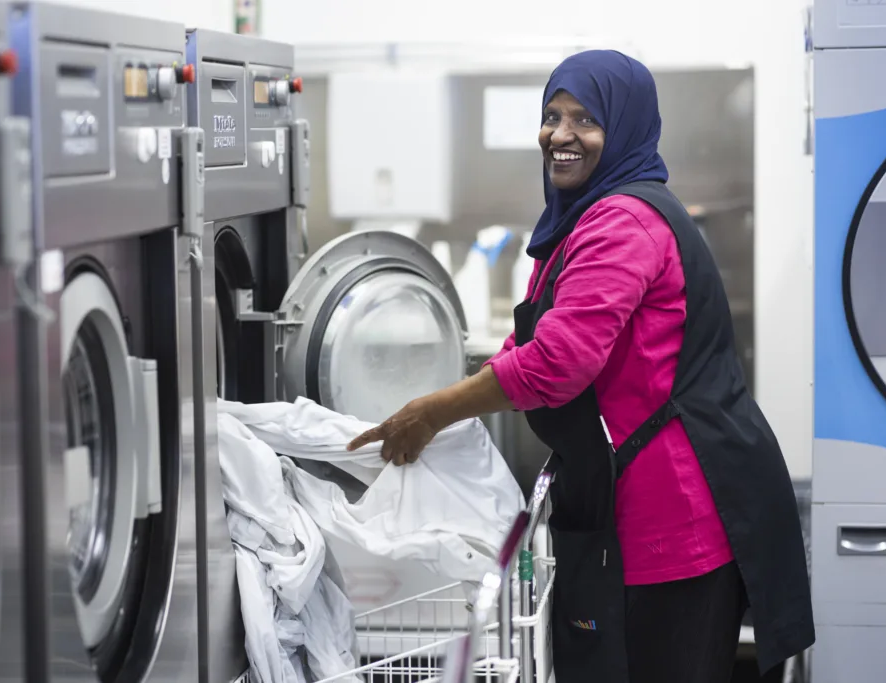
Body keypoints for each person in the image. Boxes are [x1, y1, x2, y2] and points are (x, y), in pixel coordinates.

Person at [347, 50, 814, 683]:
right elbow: (542, 337)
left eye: (585, 120)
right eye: (552, 115)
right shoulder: (585, 217)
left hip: (672, 520)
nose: (561, 135)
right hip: (642, 507)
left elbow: (556, 365)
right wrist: (460, 387)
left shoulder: (621, 222)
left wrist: (432, 412)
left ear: (622, 130)